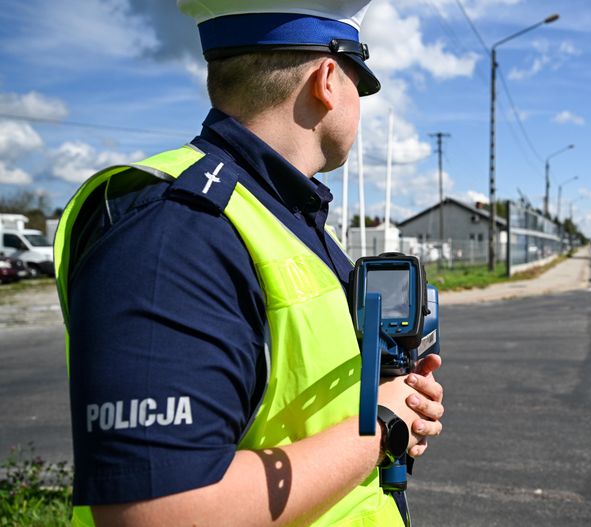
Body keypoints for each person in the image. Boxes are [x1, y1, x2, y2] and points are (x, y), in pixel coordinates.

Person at [53, 1, 444, 525]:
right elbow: (159, 513)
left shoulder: (284, 217)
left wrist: (390, 398)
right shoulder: (176, 228)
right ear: (328, 80)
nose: (360, 102)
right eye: (360, 83)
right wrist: (381, 428)